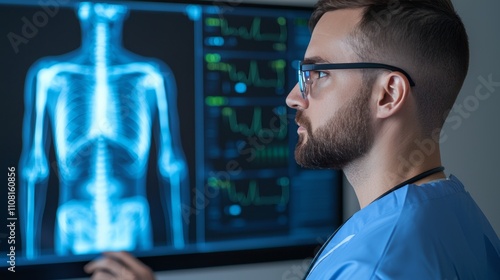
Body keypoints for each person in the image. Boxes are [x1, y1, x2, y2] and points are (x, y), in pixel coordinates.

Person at [85, 0, 500, 279]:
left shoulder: (373, 265)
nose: (293, 96)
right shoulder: (458, 214)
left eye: (317, 75)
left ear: (388, 94)